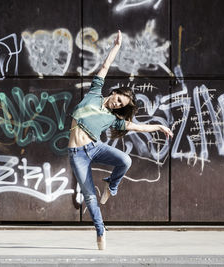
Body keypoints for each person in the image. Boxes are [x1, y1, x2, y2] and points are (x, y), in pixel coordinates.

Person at [67, 30, 173, 250]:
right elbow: (104, 67)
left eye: (121, 105)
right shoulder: (95, 93)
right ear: (114, 92)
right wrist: (116, 46)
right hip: (77, 154)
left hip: (94, 148)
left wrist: (159, 126)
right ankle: (100, 230)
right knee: (88, 195)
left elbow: (136, 126)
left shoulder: (113, 118)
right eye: (118, 99)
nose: (117, 104)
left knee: (125, 160)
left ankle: (111, 186)